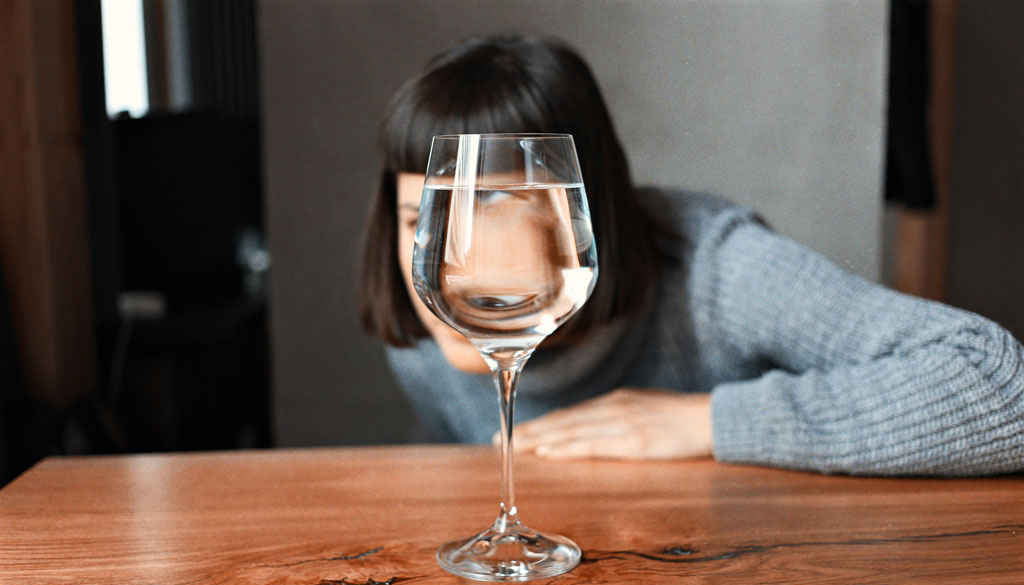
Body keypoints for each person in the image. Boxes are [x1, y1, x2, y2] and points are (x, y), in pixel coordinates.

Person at [358, 34, 1024, 476]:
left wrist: (708, 420)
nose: (441, 263)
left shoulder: (719, 269)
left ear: (577, 211)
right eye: (421, 217)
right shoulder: (422, 339)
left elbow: (1000, 386)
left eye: (487, 212)